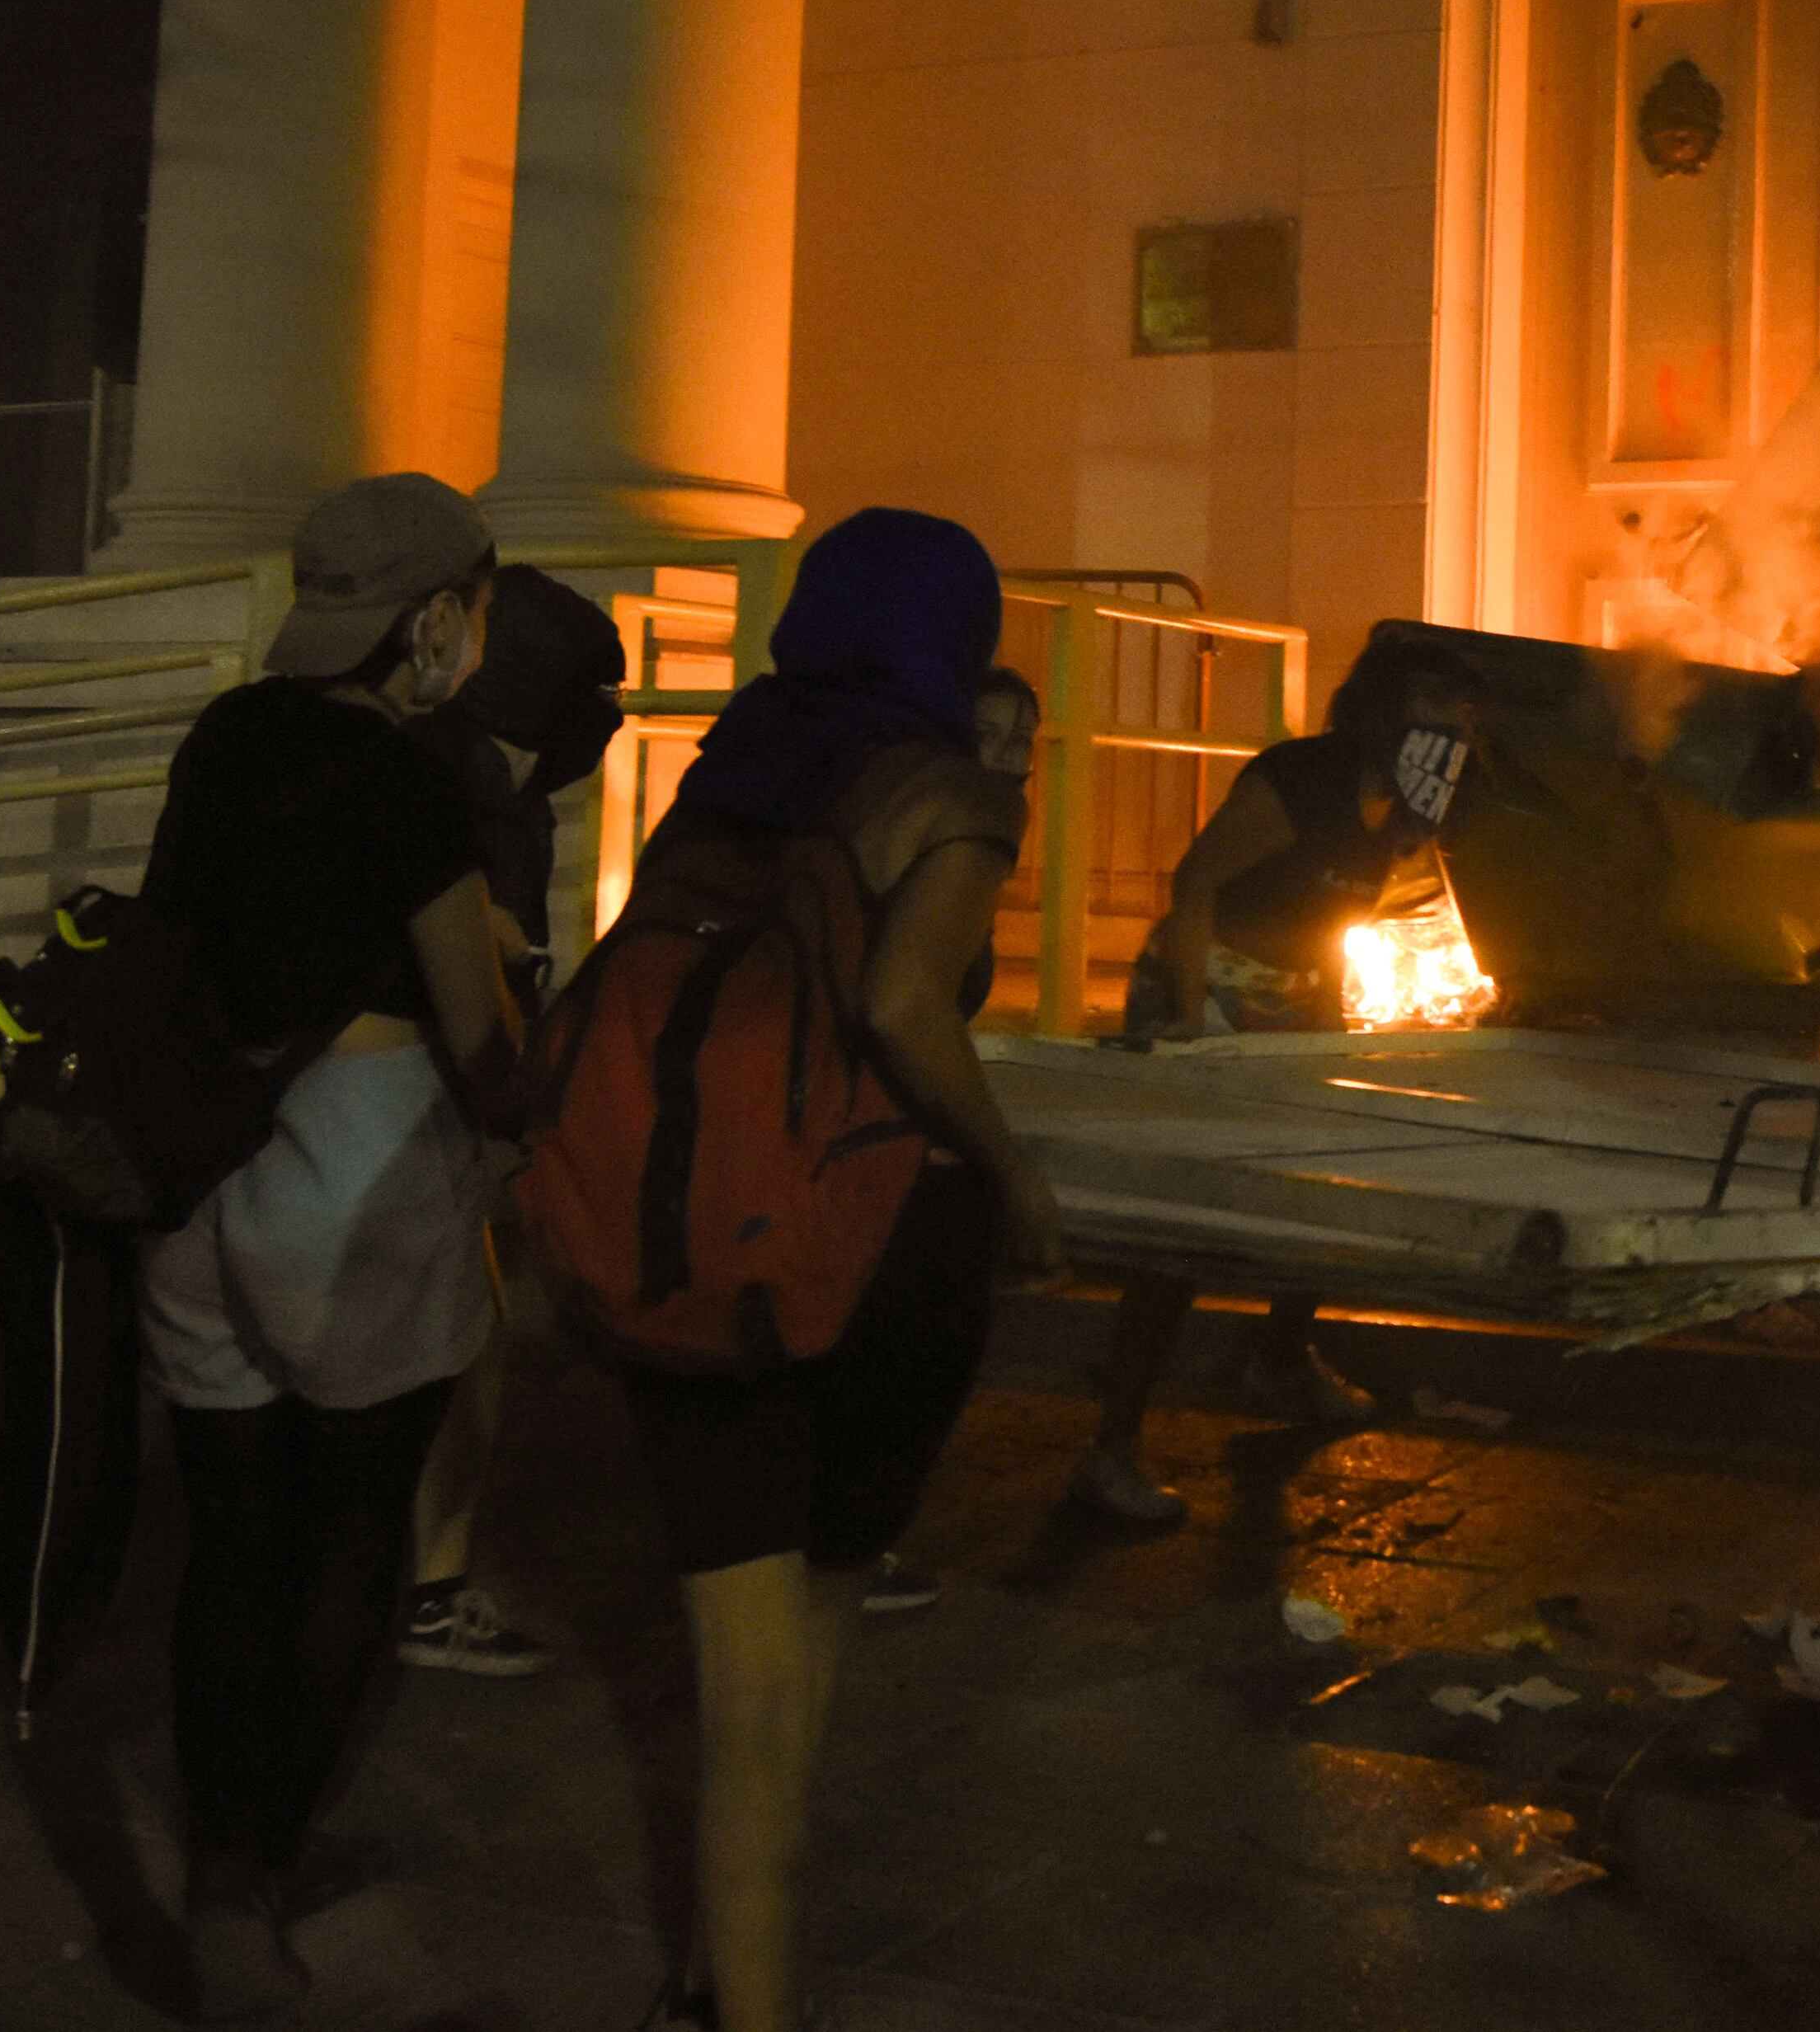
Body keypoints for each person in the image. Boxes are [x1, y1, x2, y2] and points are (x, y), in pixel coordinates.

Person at [614, 510, 1069, 2032]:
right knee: (802, 1660)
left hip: (680, 1229)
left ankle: (708, 1982)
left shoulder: (733, 760)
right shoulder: (948, 789)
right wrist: (1015, 1172)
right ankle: (745, 1997)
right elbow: (903, 1005)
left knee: (731, 1673)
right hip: (873, 1246)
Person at [137, 473, 524, 2016]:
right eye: (477, 607)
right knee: (354, 1531)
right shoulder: (415, 777)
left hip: (194, 1169)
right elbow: (481, 1031)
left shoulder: (224, 736)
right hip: (355, 1161)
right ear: (434, 616)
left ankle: (223, 1855)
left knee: (232, 1541)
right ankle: (253, 1868)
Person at [1074, 628, 1480, 1524]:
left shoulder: (1408, 804)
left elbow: (1333, 919)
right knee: (1182, 1222)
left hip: (1294, 997)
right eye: (1432, 702)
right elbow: (1195, 883)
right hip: (1204, 980)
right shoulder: (1302, 779)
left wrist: (1330, 1026)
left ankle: (1279, 1359)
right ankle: (1113, 1447)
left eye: (1460, 707)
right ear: (1383, 707)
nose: (1452, 723)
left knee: (1315, 1184)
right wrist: (1187, 1015)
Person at [394, 563, 628, 1677]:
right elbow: (471, 964)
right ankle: (423, 1589)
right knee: (453, 1343)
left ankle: (409, 1576)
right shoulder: (467, 788)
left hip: (398, 1107)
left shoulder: (483, 783)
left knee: (449, 1337)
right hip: (405, 1103)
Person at [861, 661, 1044, 1620]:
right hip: (876, 1138)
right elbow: (905, 1002)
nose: (1009, 760)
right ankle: (850, 1540)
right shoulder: (956, 825)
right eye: (990, 735)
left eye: (1025, 741)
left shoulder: (933, 814)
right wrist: (996, 1161)